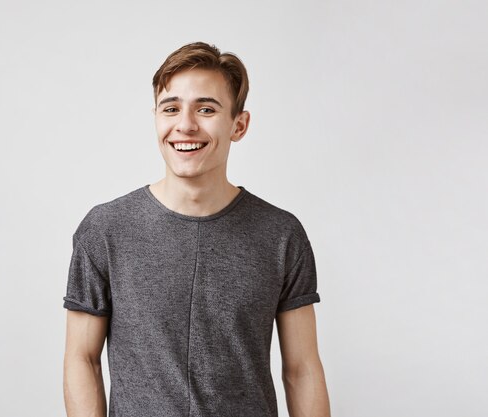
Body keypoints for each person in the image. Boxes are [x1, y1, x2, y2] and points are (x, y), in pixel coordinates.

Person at [62, 41, 330, 417]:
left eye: (206, 109)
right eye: (171, 108)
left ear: (239, 124)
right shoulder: (106, 230)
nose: (185, 125)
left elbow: (302, 370)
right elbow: (82, 359)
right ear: (156, 117)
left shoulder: (281, 235)